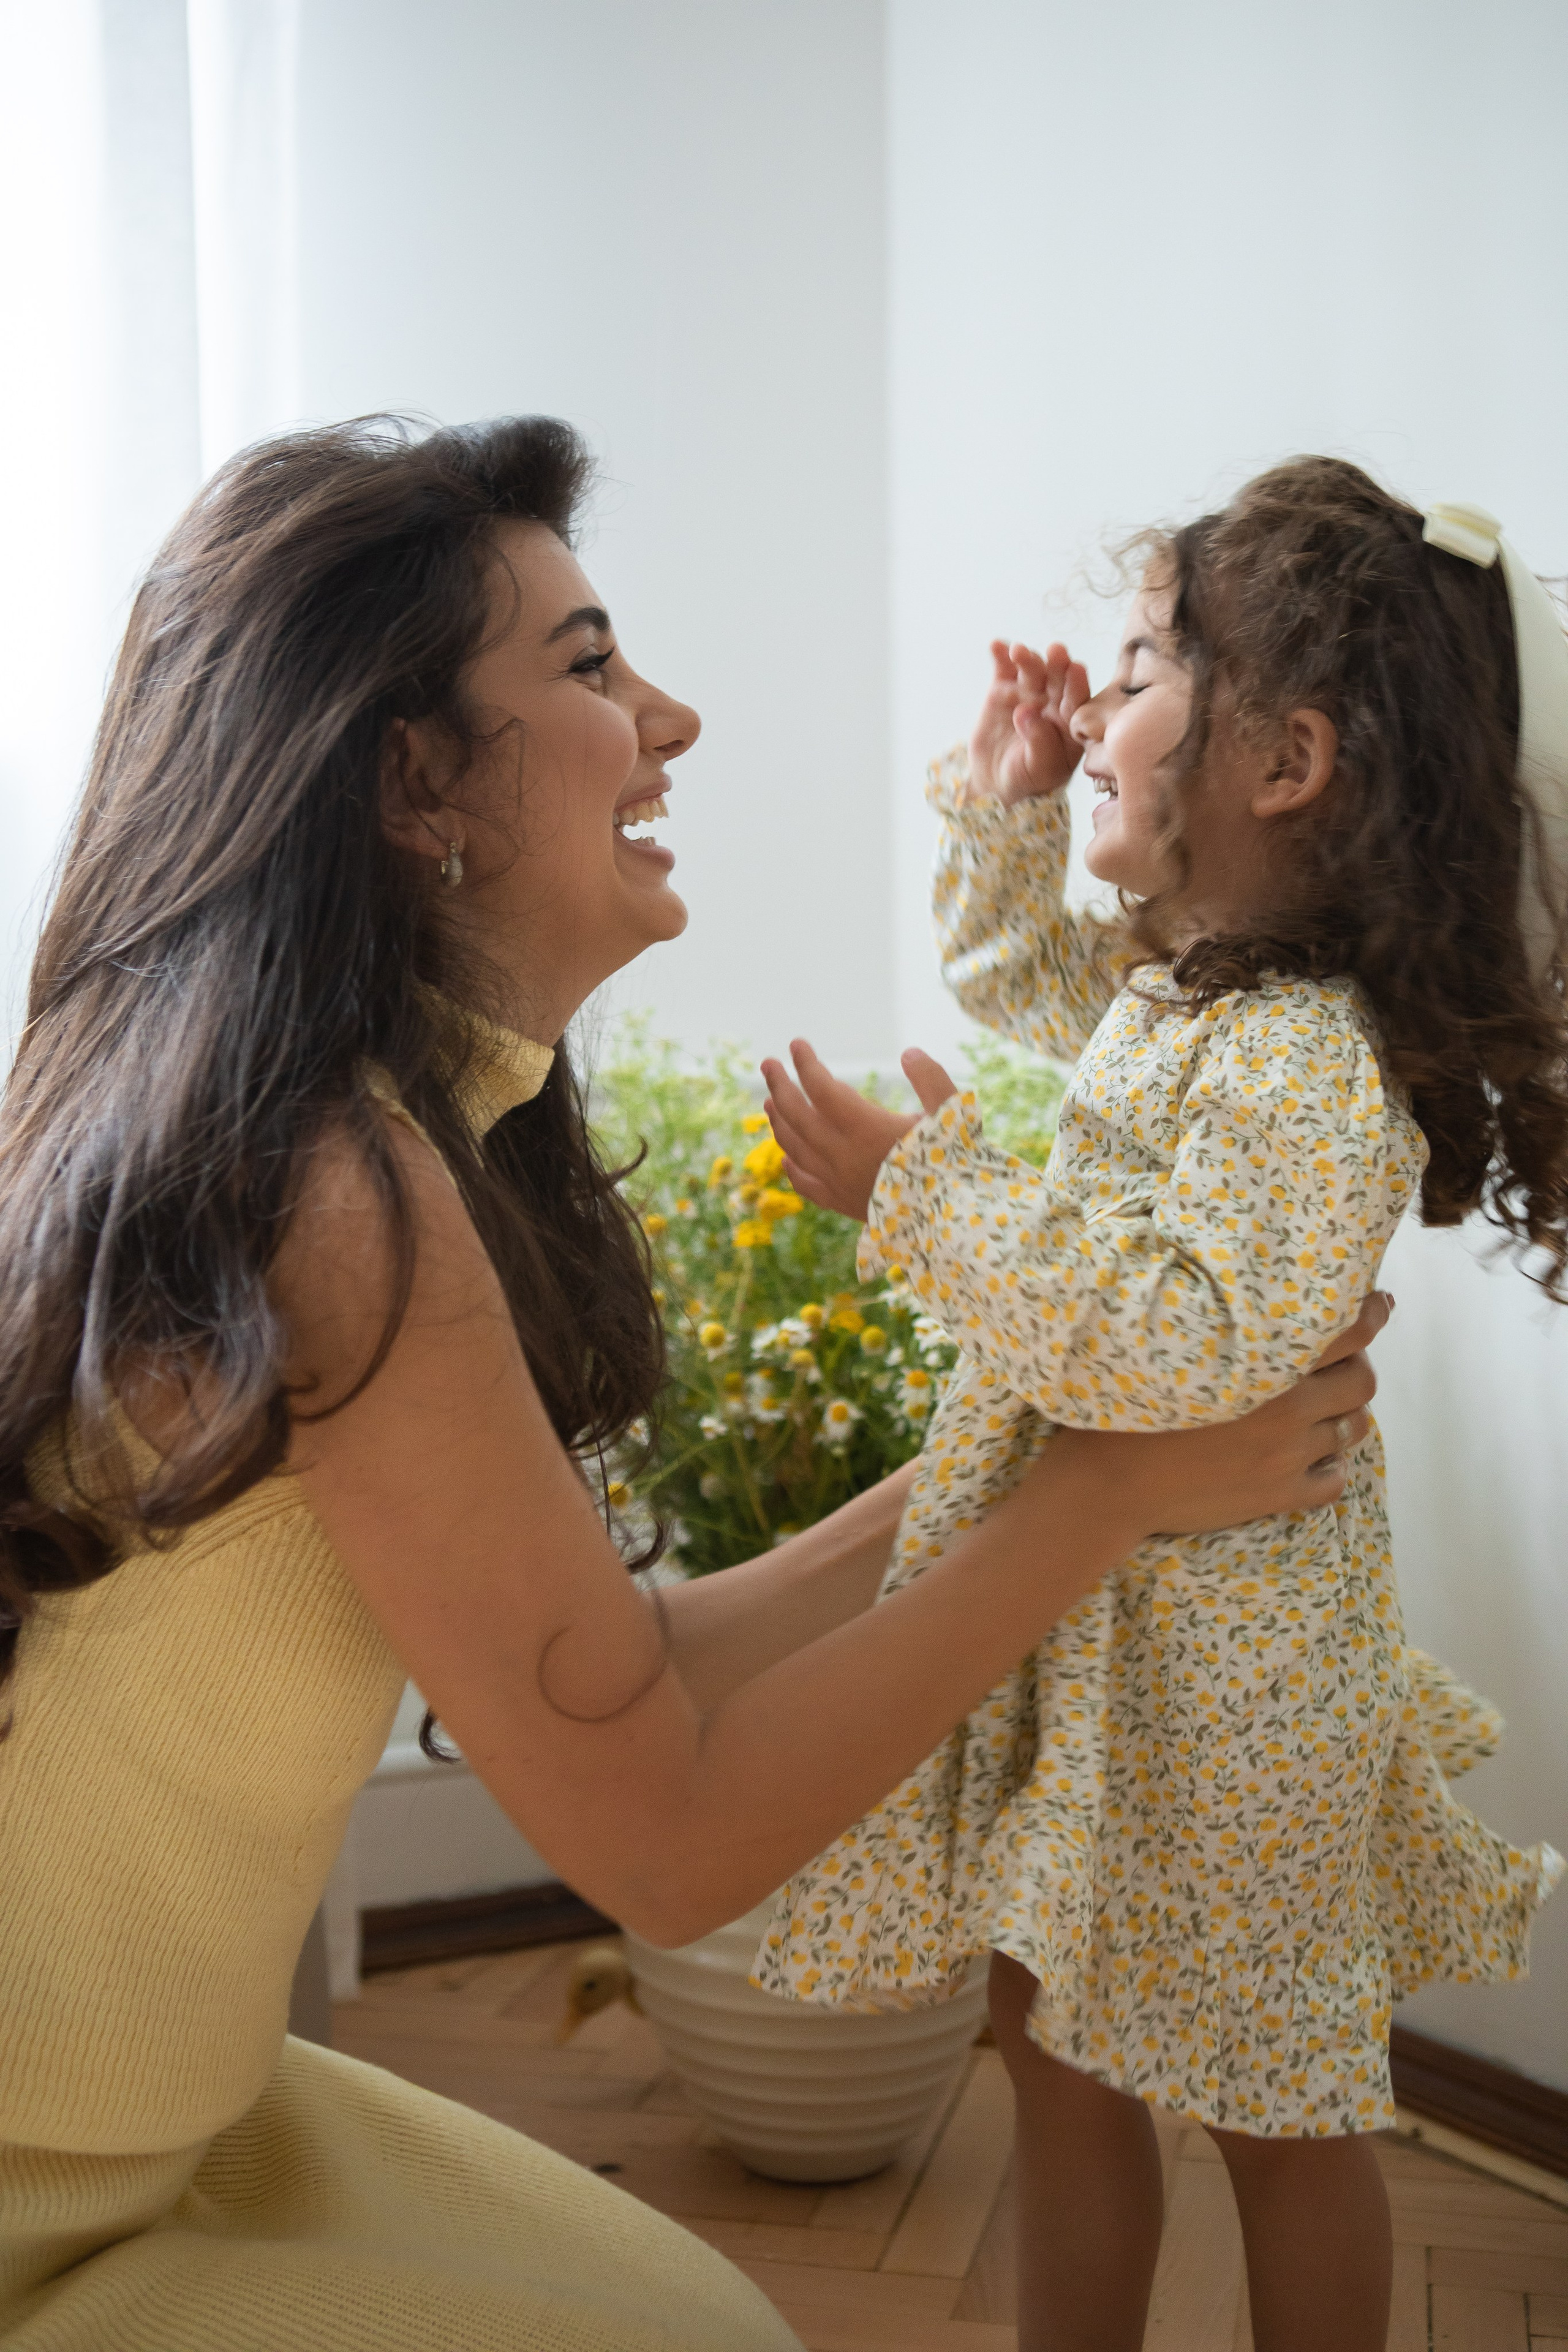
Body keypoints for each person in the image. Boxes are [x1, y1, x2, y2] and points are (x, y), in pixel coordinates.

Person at [0, 418, 1385, 2352]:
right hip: (39, 2202)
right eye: (588, 668)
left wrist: (1066, 1452)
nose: (675, 718)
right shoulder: (327, 1191)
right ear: (414, 783)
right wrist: (1108, 1497)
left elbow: (616, 1666)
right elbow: (664, 1838)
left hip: (176, 2130)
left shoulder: (372, 1135)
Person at [755, 459, 1568, 2352]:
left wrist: (925, 1194)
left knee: (1280, 2107)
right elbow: (1034, 983)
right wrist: (1008, 811)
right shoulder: (1201, 1003)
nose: (1098, 706)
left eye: (1135, 671)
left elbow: (1178, 1347)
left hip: (1230, 1681)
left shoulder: (1304, 1066)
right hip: (1115, 1639)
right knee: (1055, 2052)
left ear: (1282, 764)